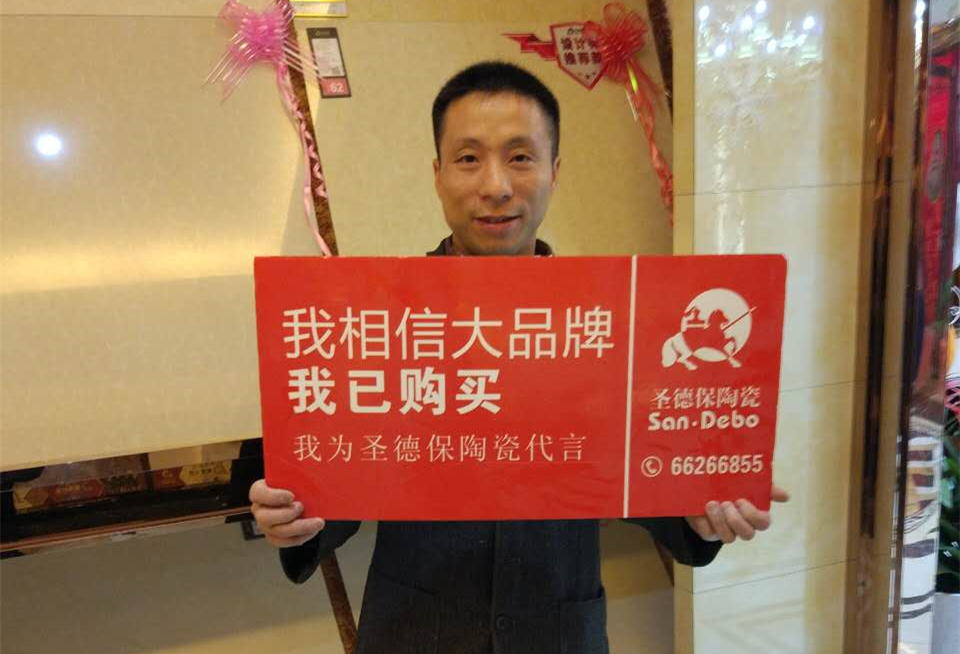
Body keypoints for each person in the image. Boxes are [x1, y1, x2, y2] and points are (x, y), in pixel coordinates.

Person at [249, 61, 790, 654]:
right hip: (415, 634)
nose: (496, 185)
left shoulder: (609, 320)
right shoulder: (380, 319)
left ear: (555, 171)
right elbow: (340, 472)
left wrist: (701, 510)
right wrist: (292, 513)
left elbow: (649, 470)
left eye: (521, 157)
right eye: (468, 158)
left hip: (558, 633)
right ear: (437, 174)